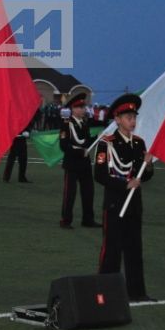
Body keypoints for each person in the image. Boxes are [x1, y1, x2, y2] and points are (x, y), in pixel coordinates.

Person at [95, 94, 155, 302]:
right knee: (111, 251)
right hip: (114, 204)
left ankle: (137, 292)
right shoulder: (107, 144)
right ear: (117, 119)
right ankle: (103, 294)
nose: (133, 121)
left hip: (134, 204)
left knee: (134, 249)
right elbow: (100, 175)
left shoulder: (139, 143)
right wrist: (124, 184)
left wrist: (147, 165)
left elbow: (145, 176)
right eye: (128, 117)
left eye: (134, 117)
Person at [59, 93, 99, 229]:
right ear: (73, 109)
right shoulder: (66, 124)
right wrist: (81, 151)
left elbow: (86, 141)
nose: (83, 110)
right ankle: (65, 220)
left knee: (88, 192)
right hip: (72, 164)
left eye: (83, 107)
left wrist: (98, 138)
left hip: (85, 164)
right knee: (70, 194)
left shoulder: (84, 123)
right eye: (79, 107)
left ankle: (88, 220)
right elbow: (64, 145)